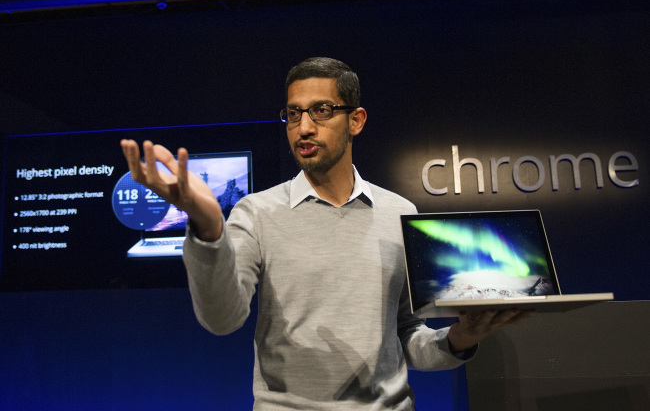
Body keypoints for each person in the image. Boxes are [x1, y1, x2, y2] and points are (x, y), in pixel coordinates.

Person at [120, 57, 531, 410]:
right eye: (294, 113)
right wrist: (209, 229)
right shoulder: (257, 212)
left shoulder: (399, 213)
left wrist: (460, 338)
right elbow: (223, 319)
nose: (303, 128)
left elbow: (407, 336)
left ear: (356, 120)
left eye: (320, 111)